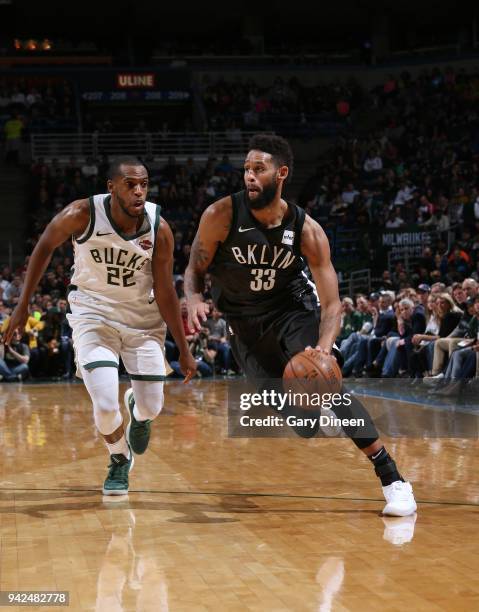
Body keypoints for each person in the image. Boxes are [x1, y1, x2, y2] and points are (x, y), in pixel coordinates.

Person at [185, 133, 416, 517]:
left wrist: (323, 348)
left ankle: (393, 479)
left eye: (259, 169)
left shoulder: (307, 230)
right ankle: (315, 414)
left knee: (325, 384)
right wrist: (192, 297)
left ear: (282, 173)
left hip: (292, 310)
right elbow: (195, 268)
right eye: (246, 169)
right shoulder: (220, 215)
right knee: (303, 423)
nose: (250, 177)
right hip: (244, 325)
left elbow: (331, 303)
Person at [4, 156, 197, 495]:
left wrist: (182, 347)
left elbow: (166, 289)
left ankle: (138, 411)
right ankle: (119, 459)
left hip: (142, 320)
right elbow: (44, 247)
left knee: (153, 406)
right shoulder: (82, 213)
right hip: (93, 314)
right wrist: (23, 305)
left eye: (144, 185)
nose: (139, 192)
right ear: (111, 187)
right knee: (105, 405)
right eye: (130, 185)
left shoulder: (159, 228)